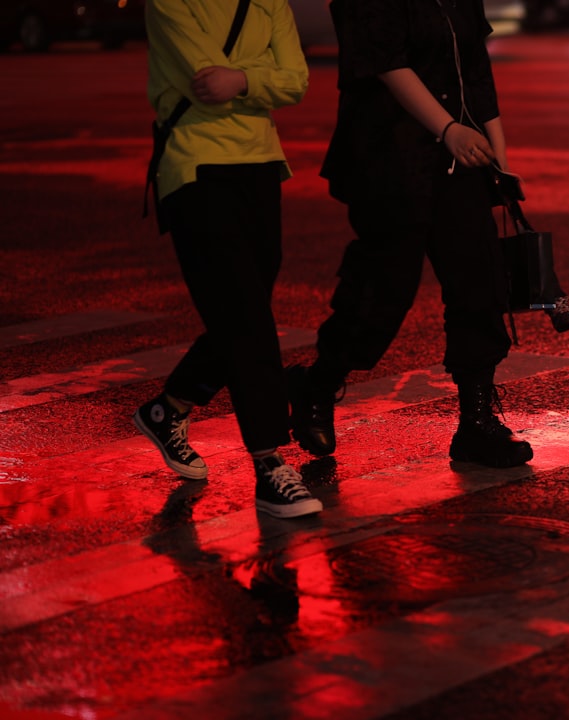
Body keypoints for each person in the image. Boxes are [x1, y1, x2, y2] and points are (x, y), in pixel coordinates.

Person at [287, 0, 535, 468]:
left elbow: (475, 70)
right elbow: (384, 61)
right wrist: (447, 129)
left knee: (480, 284)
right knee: (382, 292)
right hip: (391, 159)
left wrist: (499, 157)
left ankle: (476, 424)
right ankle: (317, 384)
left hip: (460, 160)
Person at [133, 0, 322, 518]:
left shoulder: (268, 1)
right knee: (245, 314)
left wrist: (241, 79)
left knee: (243, 309)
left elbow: (296, 81)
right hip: (195, 166)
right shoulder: (170, 2)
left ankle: (167, 408)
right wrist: (256, 79)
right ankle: (268, 463)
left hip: (261, 164)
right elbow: (205, 81)